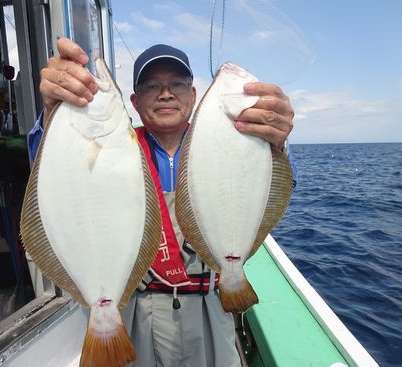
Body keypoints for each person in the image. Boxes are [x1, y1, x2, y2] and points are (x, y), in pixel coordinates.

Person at [28, 38, 296, 367]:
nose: (166, 93)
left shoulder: (225, 142)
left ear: (194, 96)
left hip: (210, 307)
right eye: (152, 85)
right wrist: (53, 114)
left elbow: (271, 180)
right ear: (134, 102)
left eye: (178, 84)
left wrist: (275, 141)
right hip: (133, 310)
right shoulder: (116, 147)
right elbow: (56, 176)